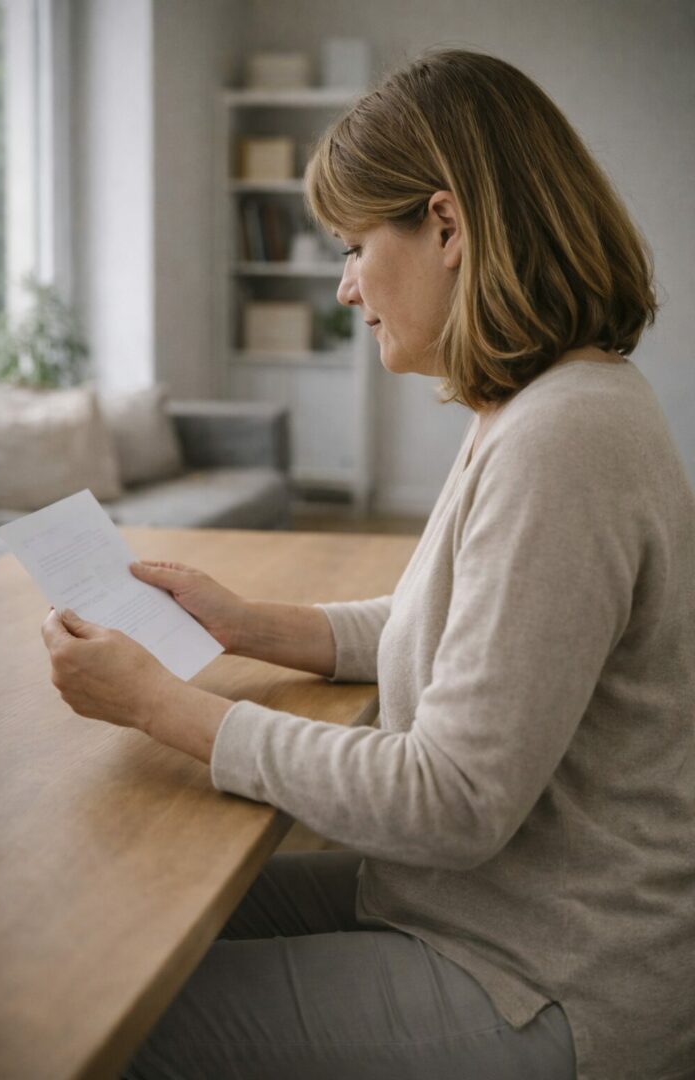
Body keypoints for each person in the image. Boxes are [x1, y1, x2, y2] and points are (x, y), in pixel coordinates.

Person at [41, 49, 695, 1080]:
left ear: (448, 226)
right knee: (136, 920)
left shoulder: (564, 439)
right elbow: (449, 622)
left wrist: (162, 707)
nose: (346, 286)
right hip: (489, 910)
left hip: (550, 973)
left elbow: (452, 797)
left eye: (353, 246)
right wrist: (251, 622)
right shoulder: (542, 408)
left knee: (114, 1028)